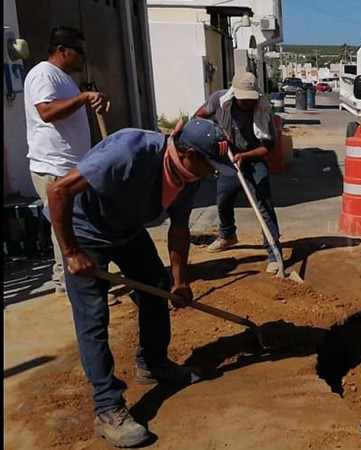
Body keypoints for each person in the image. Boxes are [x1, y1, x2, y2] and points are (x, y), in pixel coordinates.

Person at [47, 118, 236, 448]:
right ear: (189, 153)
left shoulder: (189, 176)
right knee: (93, 316)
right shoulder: (128, 151)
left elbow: (179, 228)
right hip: (85, 231)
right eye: (211, 165)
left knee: (156, 287)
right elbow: (57, 190)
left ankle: (153, 362)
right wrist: (72, 252)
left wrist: (179, 281)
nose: (213, 172)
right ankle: (107, 406)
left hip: (127, 230)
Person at [25, 25, 109, 295]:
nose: (83, 57)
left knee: (76, 224)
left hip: (70, 165)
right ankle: (68, 284)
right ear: (62, 50)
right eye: (79, 51)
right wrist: (83, 97)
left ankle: (75, 282)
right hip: (53, 166)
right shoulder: (43, 73)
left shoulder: (63, 78)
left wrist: (85, 98)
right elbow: (47, 112)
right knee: (65, 226)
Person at [193, 72, 282, 273]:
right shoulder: (219, 100)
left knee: (263, 203)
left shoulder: (263, 110)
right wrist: (215, 133)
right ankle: (227, 235)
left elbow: (270, 147)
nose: (247, 103)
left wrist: (246, 156)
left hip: (254, 160)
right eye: (243, 99)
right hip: (229, 159)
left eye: (250, 99)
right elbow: (198, 117)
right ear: (234, 93)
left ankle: (273, 250)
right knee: (223, 198)